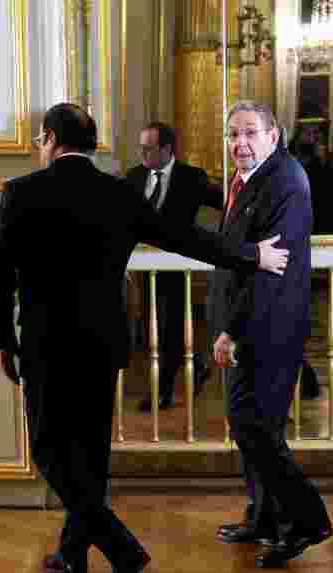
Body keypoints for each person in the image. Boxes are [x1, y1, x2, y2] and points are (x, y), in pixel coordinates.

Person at [0, 103, 289, 573]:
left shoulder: (21, 192)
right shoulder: (117, 193)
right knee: (90, 451)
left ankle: (120, 548)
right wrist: (252, 254)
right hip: (104, 342)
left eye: (41, 141)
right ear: (90, 144)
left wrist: (2, 340)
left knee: (47, 448)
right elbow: (184, 238)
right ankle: (71, 554)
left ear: (50, 140)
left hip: (46, 342)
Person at [209, 101, 333, 567]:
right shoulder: (255, 178)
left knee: (256, 428)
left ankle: (305, 522)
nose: (240, 144)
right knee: (250, 429)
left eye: (250, 134)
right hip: (251, 326)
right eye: (233, 134)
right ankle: (263, 517)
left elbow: (270, 269)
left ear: (274, 135)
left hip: (266, 327)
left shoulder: (285, 181)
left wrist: (232, 331)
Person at [125, 122, 224, 411]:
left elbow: (227, 205)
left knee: (169, 325)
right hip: (143, 267)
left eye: (148, 148)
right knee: (155, 326)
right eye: (140, 147)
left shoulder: (191, 177)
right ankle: (197, 367)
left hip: (177, 264)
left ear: (167, 149)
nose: (142, 153)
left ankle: (163, 391)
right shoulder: (134, 177)